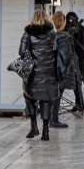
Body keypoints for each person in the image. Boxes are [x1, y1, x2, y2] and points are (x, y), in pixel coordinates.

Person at [19, 10, 63, 141]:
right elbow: (56, 51)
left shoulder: (27, 33)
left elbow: (21, 51)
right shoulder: (52, 34)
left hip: (33, 74)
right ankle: (45, 131)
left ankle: (34, 127)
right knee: (46, 101)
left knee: (29, 98)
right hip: (49, 73)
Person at [49, 12, 79, 126]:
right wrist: (63, 73)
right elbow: (64, 56)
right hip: (60, 70)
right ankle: (54, 119)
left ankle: (50, 118)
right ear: (62, 22)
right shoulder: (63, 37)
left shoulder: (53, 36)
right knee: (58, 94)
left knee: (54, 94)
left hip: (53, 69)